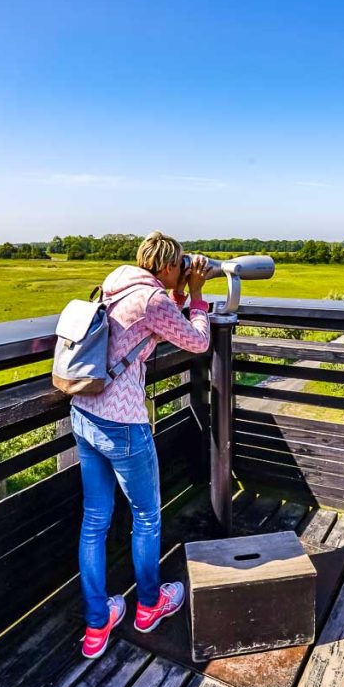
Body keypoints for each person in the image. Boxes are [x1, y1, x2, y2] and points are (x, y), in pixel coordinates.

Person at [69, 231, 211, 659]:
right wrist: (199, 296)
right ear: (168, 266)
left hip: (84, 413)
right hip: (123, 423)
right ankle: (149, 606)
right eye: (181, 264)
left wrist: (179, 293)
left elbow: (159, 328)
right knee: (146, 517)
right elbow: (197, 341)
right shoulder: (153, 300)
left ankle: (97, 626)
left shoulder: (116, 282)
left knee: (95, 520)